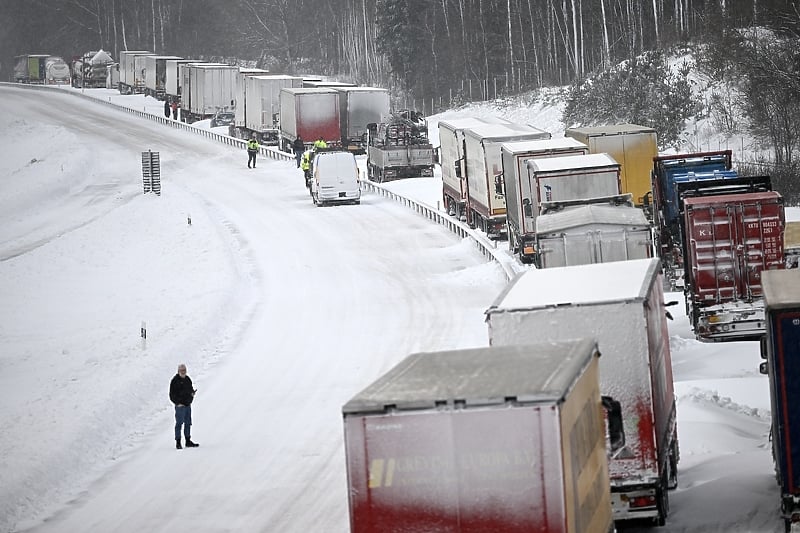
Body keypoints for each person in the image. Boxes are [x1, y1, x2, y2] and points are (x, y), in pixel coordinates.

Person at [169, 364, 198, 449]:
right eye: (181, 370)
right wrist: (177, 403)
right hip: (180, 406)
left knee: (188, 423)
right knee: (179, 423)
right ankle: (178, 442)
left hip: (187, 405)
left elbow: (190, 389)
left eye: (184, 370)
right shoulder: (174, 381)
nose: (183, 372)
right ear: (178, 371)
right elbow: (171, 395)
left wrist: (192, 394)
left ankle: (188, 441)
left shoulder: (188, 379)